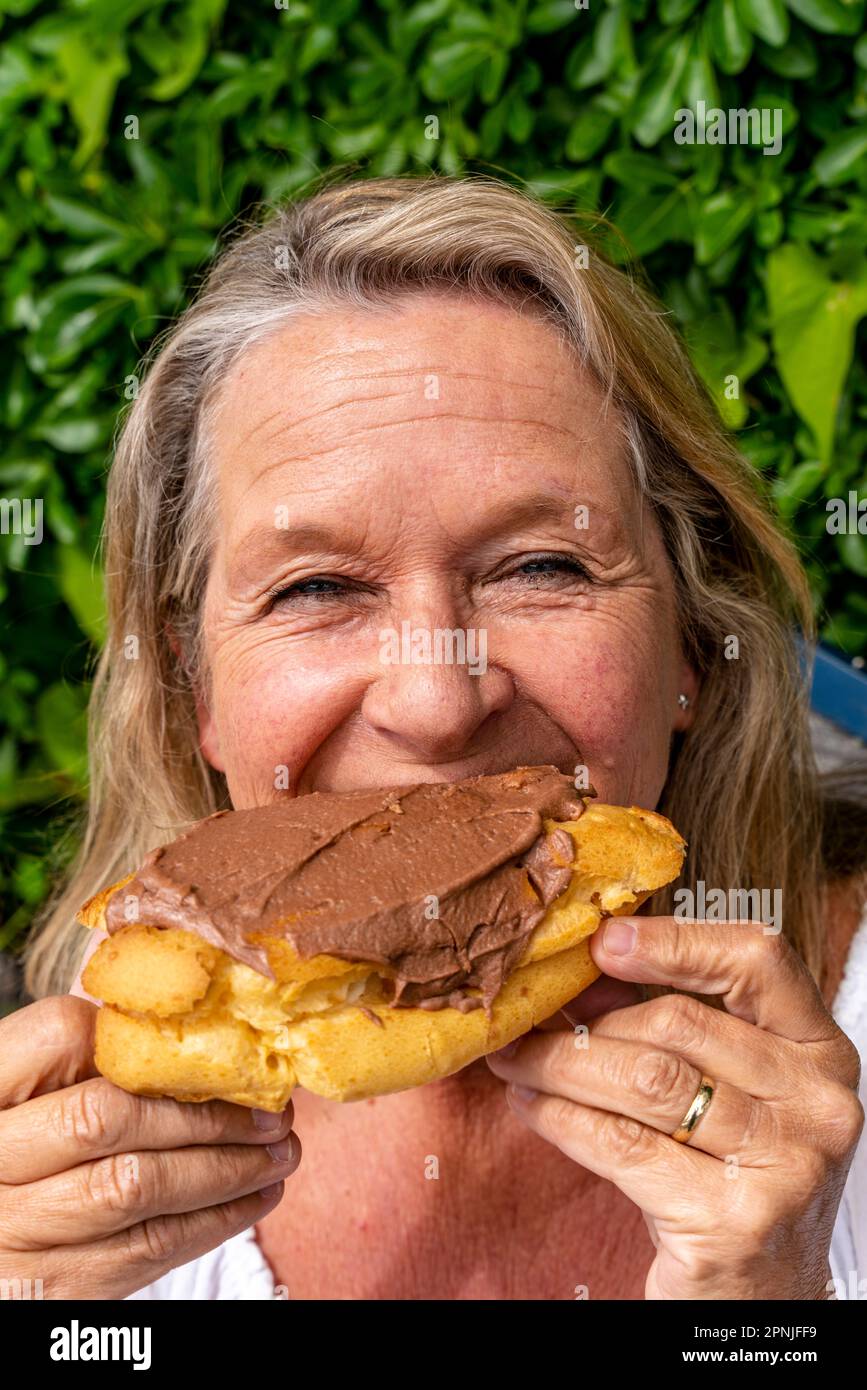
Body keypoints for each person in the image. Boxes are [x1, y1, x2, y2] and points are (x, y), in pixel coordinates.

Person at [9, 174, 866, 1301]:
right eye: (316, 587)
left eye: (543, 566)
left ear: (693, 648)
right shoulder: (54, 1166)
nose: (437, 700)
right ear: (195, 689)